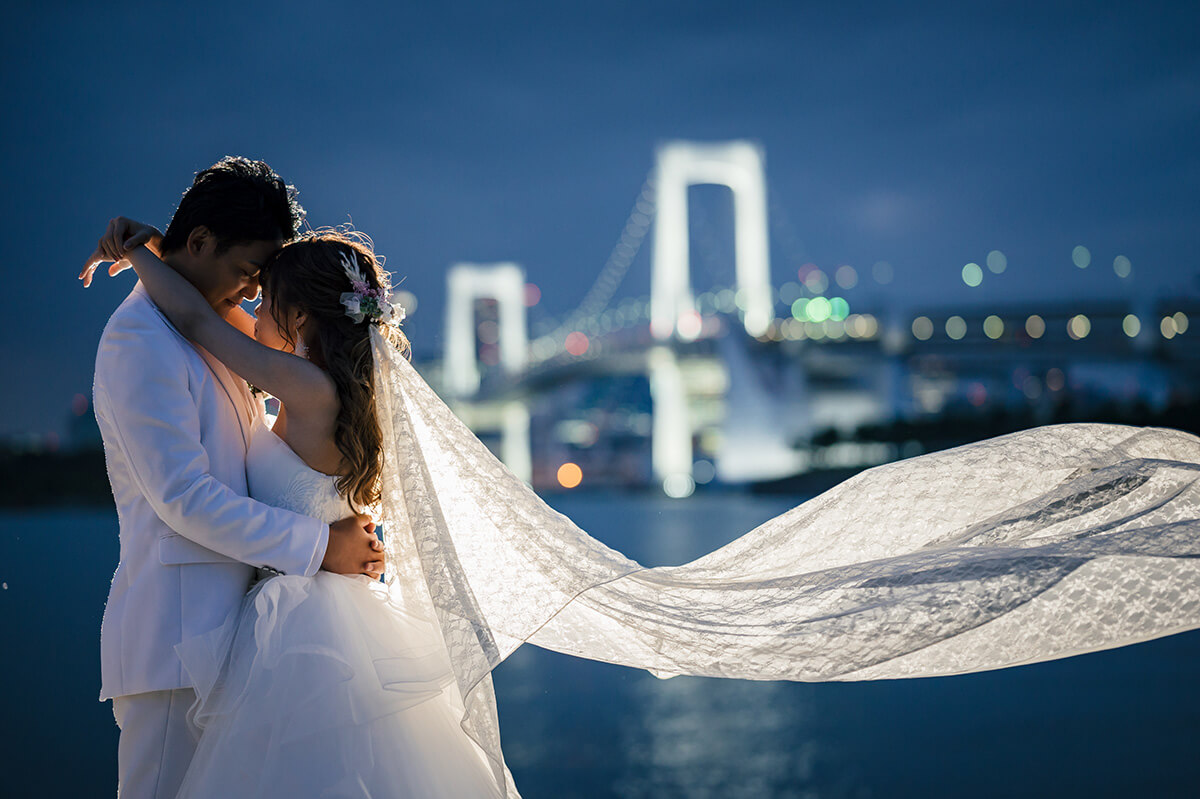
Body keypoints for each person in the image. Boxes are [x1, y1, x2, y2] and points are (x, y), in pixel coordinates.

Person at [84, 212, 1200, 799]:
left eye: (265, 298)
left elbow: (197, 327)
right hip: (342, 626)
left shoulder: (296, 383)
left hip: (306, 642)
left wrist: (142, 251)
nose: (252, 310)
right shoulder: (357, 393)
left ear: (293, 313)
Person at [82, 159, 384, 799]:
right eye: (249, 274)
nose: (252, 296)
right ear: (199, 243)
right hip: (176, 645)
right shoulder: (139, 340)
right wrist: (320, 546)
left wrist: (153, 252)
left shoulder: (217, 332)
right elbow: (182, 498)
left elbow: (199, 315)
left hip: (249, 647)